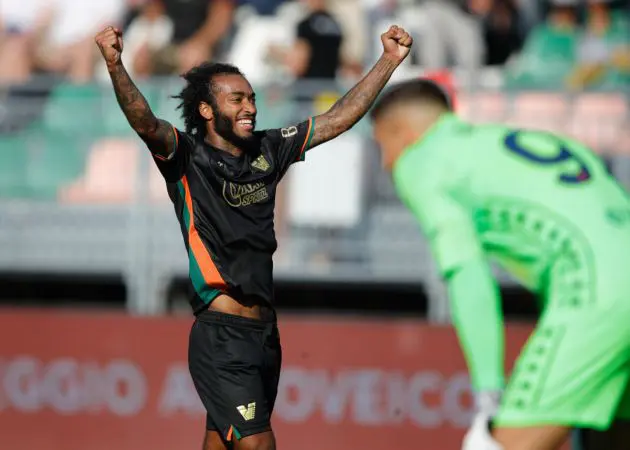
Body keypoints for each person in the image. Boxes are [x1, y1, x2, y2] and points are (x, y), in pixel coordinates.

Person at [94, 24, 412, 450]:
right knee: (258, 445)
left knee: (221, 443)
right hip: (221, 335)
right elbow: (144, 121)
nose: (250, 107)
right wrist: (116, 64)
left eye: (252, 98)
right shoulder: (186, 157)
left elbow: (337, 119)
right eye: (237, 99)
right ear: (207, 111)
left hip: (265, 337)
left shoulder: (269, 149)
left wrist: (388, 61)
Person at [369, 79, 630, 450]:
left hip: (595, 290)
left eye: (383, 146)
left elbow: (467, 272)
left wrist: (488, 393)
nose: (386, 162)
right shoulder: (528, 141)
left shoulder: (423, 158)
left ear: (402, 132)